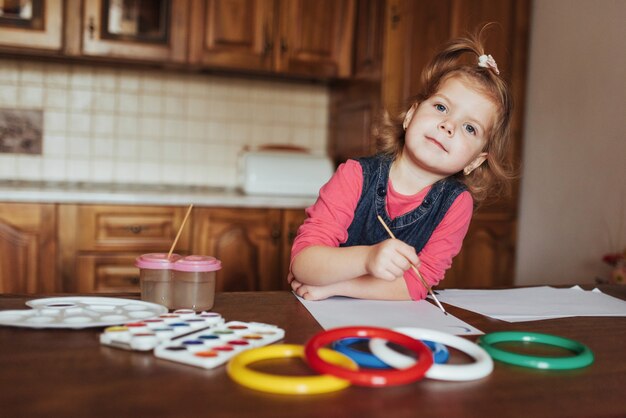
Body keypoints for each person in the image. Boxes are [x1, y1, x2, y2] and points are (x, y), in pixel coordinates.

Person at [289, 27, 514, 301]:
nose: (448, 126)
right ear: (410, 116)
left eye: (469, 128)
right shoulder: (355, 175)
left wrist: (337, 288)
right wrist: (367, 259)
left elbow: (419, 284)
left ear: (475, 162)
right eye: (441, 108)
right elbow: (303, 262)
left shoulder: (457, 204)